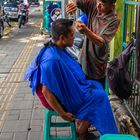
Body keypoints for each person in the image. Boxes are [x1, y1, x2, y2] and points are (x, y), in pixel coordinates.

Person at [24, 19, 118, 140]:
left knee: (97, 85)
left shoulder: (57, 48)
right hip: (65, 102)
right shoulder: (51, 60)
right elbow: (46, 92)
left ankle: (82, 130)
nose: (74, 37)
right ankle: (111, 135)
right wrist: (63, 114)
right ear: (62, 37)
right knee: (100, 98)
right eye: (72, 35)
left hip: (72, 92)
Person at [66, 0, 120, 88]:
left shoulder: (114, 20)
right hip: (83, 61)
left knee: (96, 96)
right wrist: (72, 4)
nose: (98, 5)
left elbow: (101, 42)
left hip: (97, 67)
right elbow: (75, 0)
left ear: (112, 5)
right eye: (98, 1)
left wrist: (86, 31)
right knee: (81, 93)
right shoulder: (93, 5)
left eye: (102, 4)